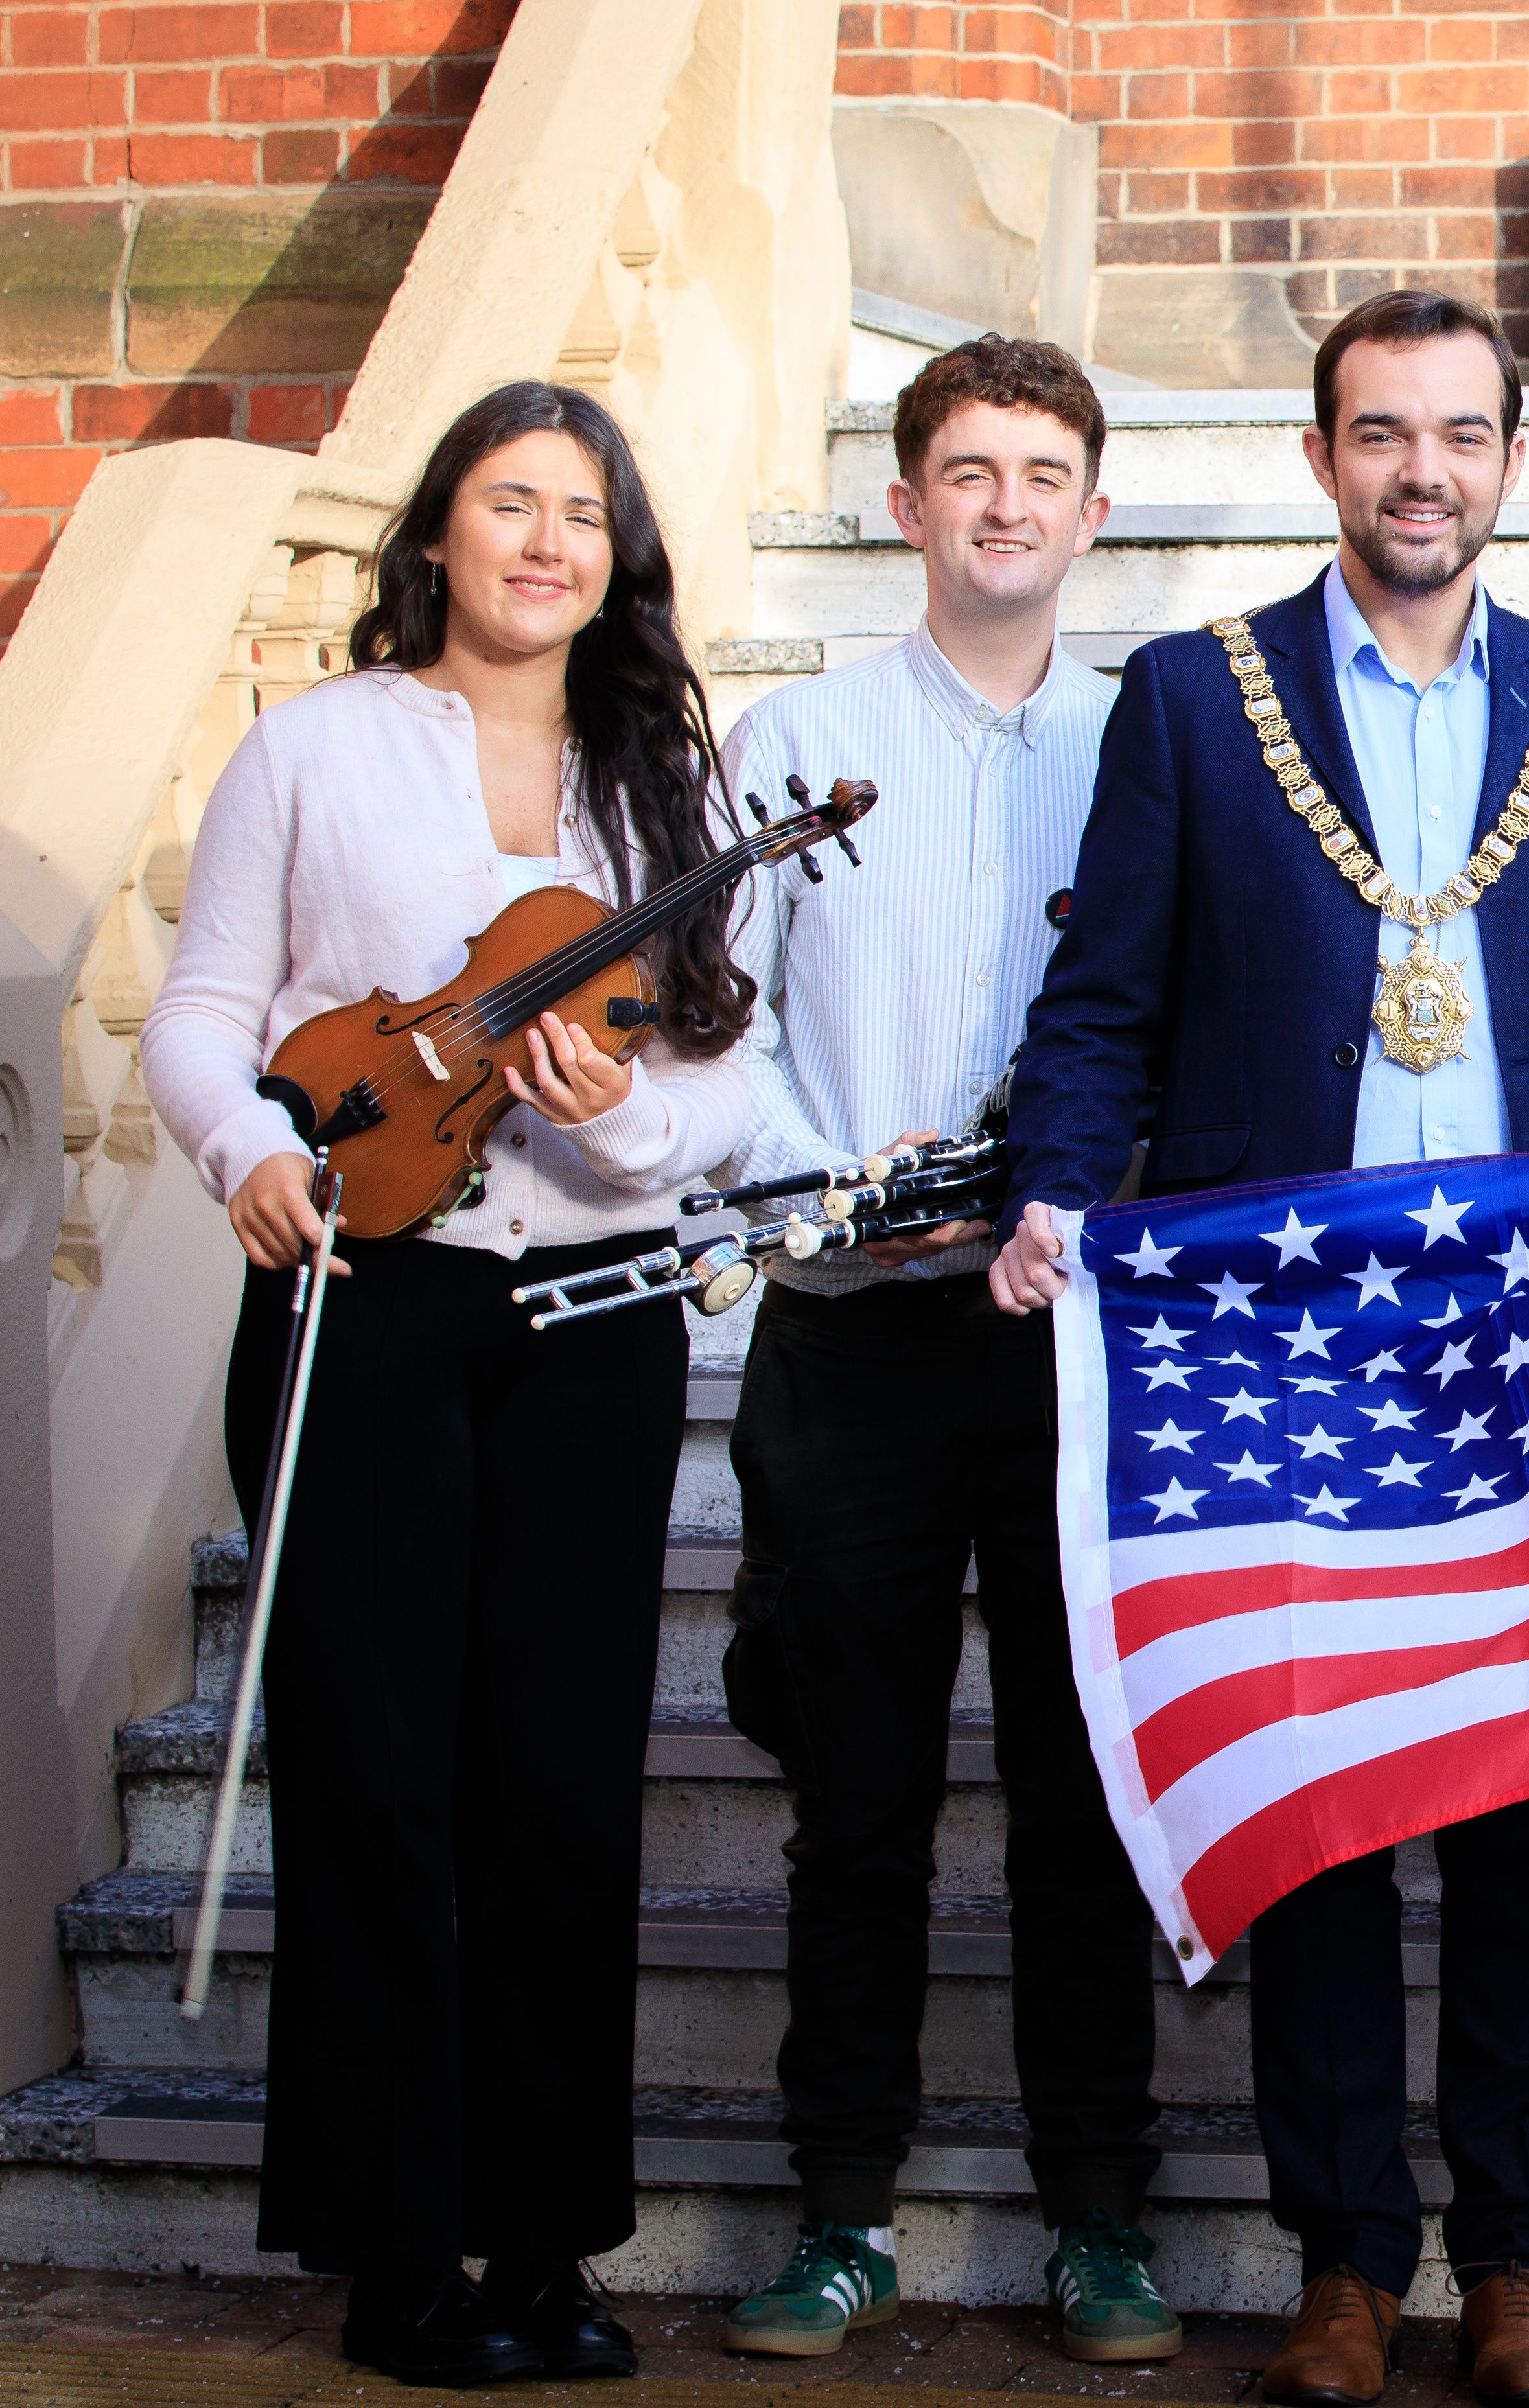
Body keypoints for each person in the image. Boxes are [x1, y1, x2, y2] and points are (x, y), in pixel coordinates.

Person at [994, 288, 1529, 2408]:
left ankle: (1514, 2256)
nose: (1423, 471)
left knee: (1521, 1789)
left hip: (1521, 1323)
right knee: (1312, 1782)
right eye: (1382, 434)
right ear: (1322, 461)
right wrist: (1055, 1186)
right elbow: (1107, 993)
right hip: (1278, 1323)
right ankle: (1337, 2259)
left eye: (1461, 436)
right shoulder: (1198, 702)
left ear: (1511, 459)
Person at [141, 380, 754, 2386]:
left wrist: (622, 1136)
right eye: (513, 505)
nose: (549, 544)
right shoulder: (314, 750)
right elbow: (206, 1020)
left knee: (559, 1786)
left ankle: (547, 2249)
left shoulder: (663, 778)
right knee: (381, 1781)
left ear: (617, 557)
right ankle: (397, 2257)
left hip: (589, 1322)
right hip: (365, 1308)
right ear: (439, 536)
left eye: (585, 515)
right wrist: (248, 1157)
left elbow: (728, 1070)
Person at [705, 336, 1180, 2365]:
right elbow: (710, 1030)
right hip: (853, 1336)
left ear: (1095, 510)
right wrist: (844, 1177)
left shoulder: (1155, 744)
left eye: (1043, 470)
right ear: (904, 508)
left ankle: (1099, 2217)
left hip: (1076, 1348)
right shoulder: (791, 738)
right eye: (966, 470)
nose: (1005, 502)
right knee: (861, 1792)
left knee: (1090, 1800)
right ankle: (842, 2209)